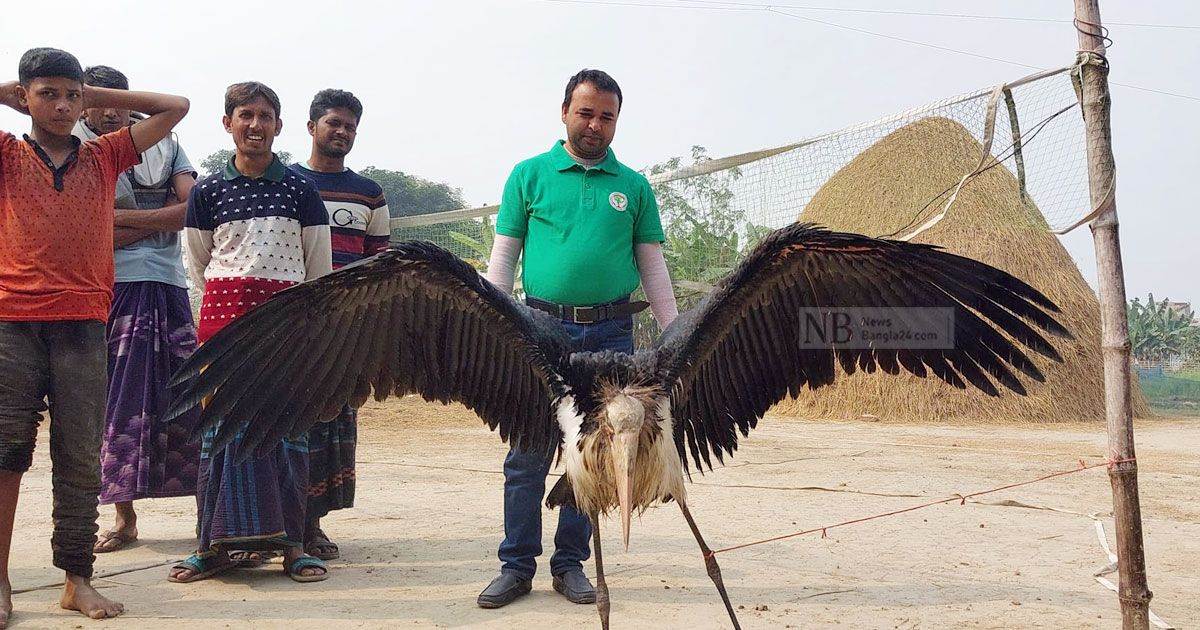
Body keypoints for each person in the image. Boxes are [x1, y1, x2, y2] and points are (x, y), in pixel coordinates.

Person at [0, 47, 189, 626]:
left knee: (80, 457)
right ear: (24, 97)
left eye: (70, 95)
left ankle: (77, 580)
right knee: (6, 453)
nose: (61, 105)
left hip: (84, 322)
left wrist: (92, 93)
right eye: (47, 94)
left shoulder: (104, 156)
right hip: (12, 321)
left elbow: (175, 106)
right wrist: (13, 88)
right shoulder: (7, 154)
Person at [477, 68, 679, 609]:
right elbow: (503, 255)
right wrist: (499, 325)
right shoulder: (529, 175)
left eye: (606, 116)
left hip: (612, 334)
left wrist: (675, 336)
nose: (595, 125)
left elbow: (652, 267)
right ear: (564, 112)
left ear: (617, 122)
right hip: (539, 333)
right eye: (585, 113)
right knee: (526, 452)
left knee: (595, 457)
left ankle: (571, 566)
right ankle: (515, 566)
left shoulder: (633, 187)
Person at [168, 81, 333, 584]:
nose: (255, 124)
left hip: (285, 338)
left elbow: (317, 271)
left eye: (265, 116)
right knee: (217, 440)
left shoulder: (301, 192)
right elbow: (201, 264)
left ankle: (294, 548)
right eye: (245, 115)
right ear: (228, 123)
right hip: (220, 336)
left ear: (279, 126)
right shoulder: (207, 193)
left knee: (287, 438)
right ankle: (210, 547)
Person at [71, 65, 202, 555]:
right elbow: (83, 228)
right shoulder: (74, 149)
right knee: (116, 404)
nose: (109, 110)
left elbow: (193, 210)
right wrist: (157, 218)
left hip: (169, 286)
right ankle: (123, 517)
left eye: (116, 100)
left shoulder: (166, 143)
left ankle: (204, 511)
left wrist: (115, 221)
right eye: (97, 101)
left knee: (188, 398)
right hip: (106, 288)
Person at [288, 88, 390, 560]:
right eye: (333, 123)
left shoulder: (369, 193)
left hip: (344, 334)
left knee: (328, 427)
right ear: (311, 127)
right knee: (283, 423)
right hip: (288, 327)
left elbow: (380, 263)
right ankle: (276, 525)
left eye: (350, 126)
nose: (342, 132)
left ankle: (311, 527)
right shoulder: (283, 182)